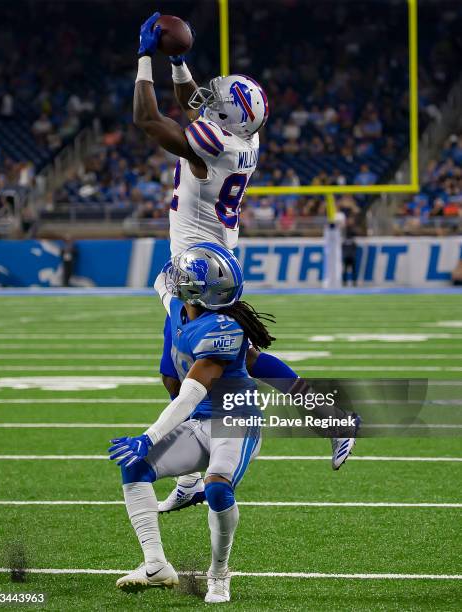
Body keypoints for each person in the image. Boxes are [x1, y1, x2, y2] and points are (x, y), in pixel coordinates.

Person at [133, 12, 357, 514]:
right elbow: (196, 106)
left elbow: (149, 121)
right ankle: (199, 472)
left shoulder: (215, 144)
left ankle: (333, 420)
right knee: (176, 366)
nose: (209, 102)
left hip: (202, 264)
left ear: (228, 122)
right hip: (206, 254)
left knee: (220, 361)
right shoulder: (245, 138)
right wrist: (179, 60)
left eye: (218, 104)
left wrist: (145, 59)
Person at [109, 243, 273, 603]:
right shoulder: (181, 308)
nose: (175, 279)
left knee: (216, 488)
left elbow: (189, 396)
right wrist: (184, 248)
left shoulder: (221, 329)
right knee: (134, 468)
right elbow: (160, 284)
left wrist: (149, 437)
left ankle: (219, 574)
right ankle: (155, 565)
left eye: (184, 277)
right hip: (202, 424)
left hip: (236, 423)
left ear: (198, 291)